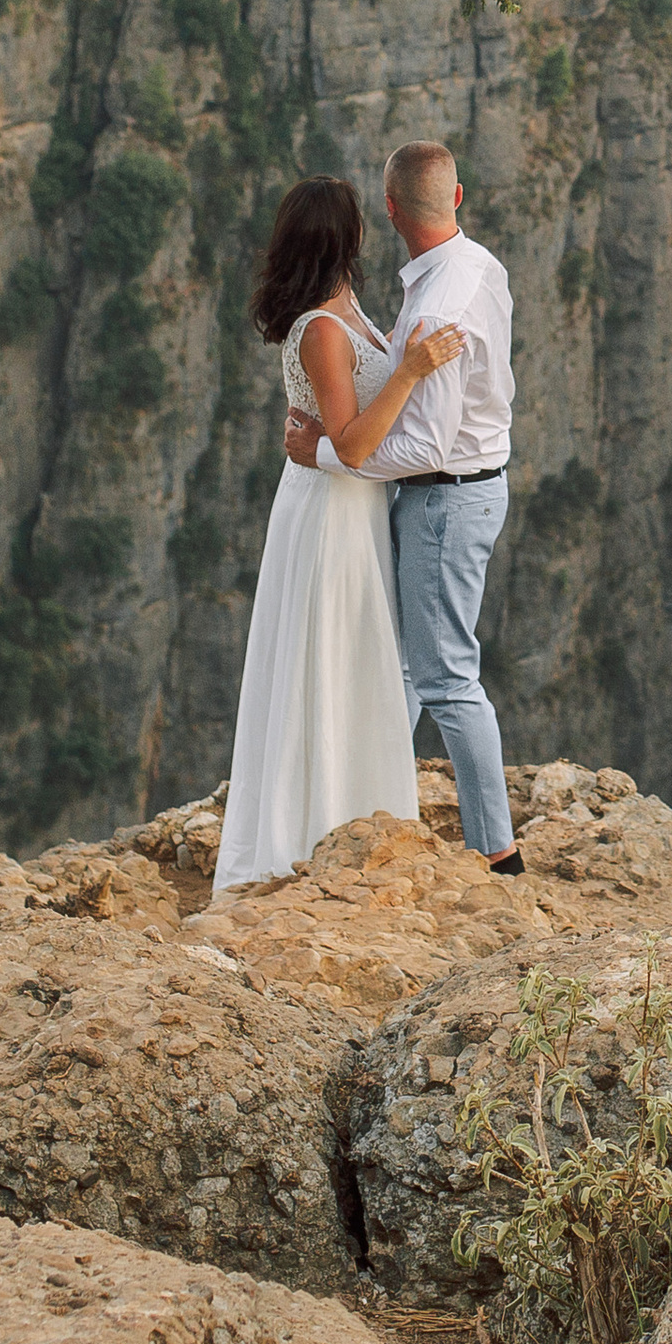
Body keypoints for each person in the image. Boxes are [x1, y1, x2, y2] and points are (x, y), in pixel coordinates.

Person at [215, 175, 464, 894]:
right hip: (330, 512)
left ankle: (352, 810)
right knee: (327, 658)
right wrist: (411, 371)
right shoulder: (321, 329)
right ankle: (309, 830)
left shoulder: (347, 305)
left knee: (355, 656)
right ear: (343, 238)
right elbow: (352, 445)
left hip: (352, 508)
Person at [285, 139, 522, 874]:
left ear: (390, 211)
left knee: (445, 676)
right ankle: (358, 799)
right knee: (412, 671)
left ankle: (497, 851)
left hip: (443, 501)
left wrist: (324, 451)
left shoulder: (435, 308)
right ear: (455, 198)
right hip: (463, 492)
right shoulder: (474, 266)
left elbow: (423, 445)